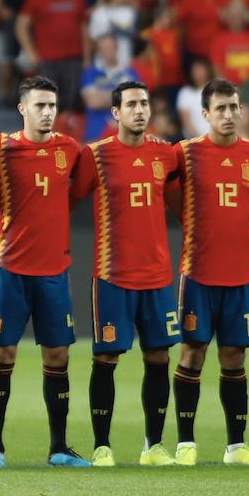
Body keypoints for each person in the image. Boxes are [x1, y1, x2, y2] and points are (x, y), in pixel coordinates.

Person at [67, 78, 180, 467]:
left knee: (159, 358)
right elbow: (66, 200)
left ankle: (154, 445)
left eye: (144, 103)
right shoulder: (95, 155)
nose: (140, 110)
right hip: (112, 274)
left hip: (158, 276)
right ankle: (102, 446)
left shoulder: (166, 155)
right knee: (106, 359)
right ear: (115, 113)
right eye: (131, 104)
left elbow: (185, 202)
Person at [0, 76, 88, 467]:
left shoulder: (69, 149)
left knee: (58, 356)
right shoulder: (0, 148)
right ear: (22, 109)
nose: (47, 113)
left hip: (54, 270)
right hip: (11, 267)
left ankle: (58, 448)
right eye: (39, 106)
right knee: (2, 351)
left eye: (52, 106)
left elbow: (77, 192)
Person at [170, 78, 249, 466]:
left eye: (234, 108)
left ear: (241, 110)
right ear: (205, 115)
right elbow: (170, 196)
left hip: (240, 277)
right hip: (198, 273)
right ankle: (185, 444)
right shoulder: (185, 154)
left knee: (234, 357)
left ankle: (236, 447)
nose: (228, 115)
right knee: (192, 352)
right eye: (220, 109)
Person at [16, 0, 88, 111]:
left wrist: (87, 58)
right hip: (46, 61)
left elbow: (84, 30)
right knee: (47, 102)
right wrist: (30, 52)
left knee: (72, 101)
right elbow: (21, 25)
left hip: (73, 60)